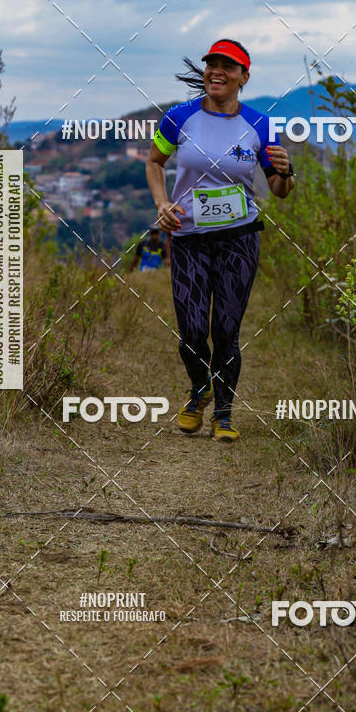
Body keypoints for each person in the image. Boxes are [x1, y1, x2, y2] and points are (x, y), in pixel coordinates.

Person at [145, 39, 294, 443]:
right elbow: (154, 163)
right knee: (192, 330)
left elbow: (279, 189)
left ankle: (224, 416)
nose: (217, 71)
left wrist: (286, 170)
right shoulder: (179, 118)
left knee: (226, 329)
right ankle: (199, 389)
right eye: (213, 64)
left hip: (239, 239)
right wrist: (161, 202)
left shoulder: (260, 125)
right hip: (189, 237)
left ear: (244, 77)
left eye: (228, 67)